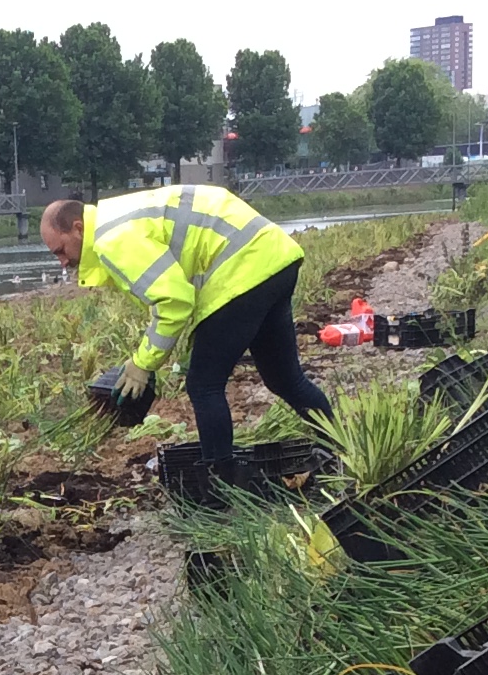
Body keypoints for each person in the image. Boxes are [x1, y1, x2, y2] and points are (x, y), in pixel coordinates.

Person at [38, 188, 332, 466]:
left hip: (243, 268)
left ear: (78, 228)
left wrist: (143, 364)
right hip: (273, 257)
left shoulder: (113, 240)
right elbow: (165, 298)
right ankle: (340, 448)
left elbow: (175, 302)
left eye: (60, 251)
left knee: (204, 384)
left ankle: (220, 484)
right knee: (284, 379)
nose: (62, 262)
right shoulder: (116, 218)